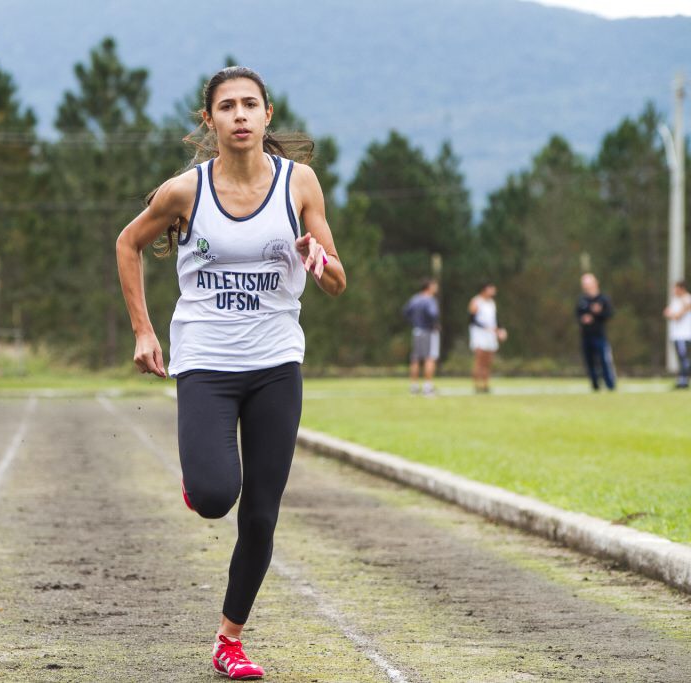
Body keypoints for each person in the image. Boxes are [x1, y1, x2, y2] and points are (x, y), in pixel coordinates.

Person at [116, 66, 345, 680]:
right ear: (209, 120)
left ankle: (230, 639)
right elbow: (127, 243)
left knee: (262, 514)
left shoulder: (301, 184)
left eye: (250, 104)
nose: (239, 115)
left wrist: (319, 261)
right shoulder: (184, 192)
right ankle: (202, 476)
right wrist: (143, 328)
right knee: (217, 496)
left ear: (268, 115)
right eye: (227, 107)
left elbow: (336, 279)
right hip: (207, 364)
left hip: (276, 364)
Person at [576, 273, 616, 391]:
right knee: (589, 361)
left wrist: (598, 312)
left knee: (604, 360)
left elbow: (609, 314)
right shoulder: (582, 299)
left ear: (595, 283)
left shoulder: (603, 299)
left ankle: (610, 384)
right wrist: (583, 319)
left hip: (599, 335)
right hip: (585, 335)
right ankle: (595, 385)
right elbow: (577, 315)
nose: (586, 286)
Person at [402, 279, 440, 396]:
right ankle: (427, 386)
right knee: (429, 358)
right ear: (429, 287)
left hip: (417, 331)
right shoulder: (430, 300)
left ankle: (414, 386)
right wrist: (434, 324)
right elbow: (432, 314)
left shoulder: (415, 299)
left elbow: (405, 312)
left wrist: (414, 322)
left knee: (415, 359)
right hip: (428, 331)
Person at [468, 282, 507, 393]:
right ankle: (476, 385)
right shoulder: (476, 301)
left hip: (491, 335)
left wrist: (500, 329)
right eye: (491, 289)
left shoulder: (491, 303)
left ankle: (485, 385)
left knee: (488, 361)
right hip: (479, 334)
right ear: (484, 290)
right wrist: (487, 328)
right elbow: (472, 320)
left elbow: (495, 319)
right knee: (479, 360)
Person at [664, 280, 691, 389]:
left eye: (675, 288)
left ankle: (683, 381)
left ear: (681, 288)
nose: (673, 291)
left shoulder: (687, 299)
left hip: (684, 335)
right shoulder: (676, 300)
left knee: (684, 358)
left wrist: (672, 314)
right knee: (681, 359)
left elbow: (676, 316)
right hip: (676, 335)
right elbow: (667, 312)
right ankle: (682, 380)